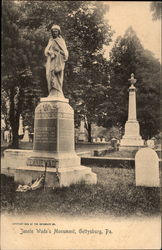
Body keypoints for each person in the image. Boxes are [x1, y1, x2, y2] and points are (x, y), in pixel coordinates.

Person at [44, 25, 69, 97]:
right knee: (49, 75)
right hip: (51, 61)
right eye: (53, 31)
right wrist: (50, 52)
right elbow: (46, 51)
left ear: (58, 32)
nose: (55, 33)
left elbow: (65, 53)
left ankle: (58, 92)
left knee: (57, 75)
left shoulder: (61, 41)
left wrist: (59, 53)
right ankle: (51, 92)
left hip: (59, 62)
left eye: (56, 31)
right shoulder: (51, 40)